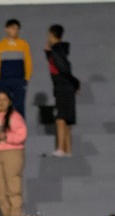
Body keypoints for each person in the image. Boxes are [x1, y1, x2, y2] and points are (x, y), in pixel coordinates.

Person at [44, 24, 78, 157]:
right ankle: (68, 151)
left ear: (52, 35)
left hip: (62, 88)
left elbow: (63, 69)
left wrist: (75, 83)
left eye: (49, 35)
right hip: (66, 87)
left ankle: (60, 149)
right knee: (67, 120)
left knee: (60, 118)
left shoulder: (56, 52)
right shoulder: (59, 50)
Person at [0, 18, 33, 112]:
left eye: (17, 29)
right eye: (13, 28)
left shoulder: (23, 45)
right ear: (7, 29)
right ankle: (4, 126)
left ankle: (19, 126)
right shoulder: (0, 46)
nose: (15, 31)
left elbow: (28, 62)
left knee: (19, 106)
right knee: (3, 107)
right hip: (3, 80)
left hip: (19, 80)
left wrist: (26, 78)